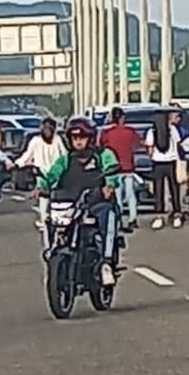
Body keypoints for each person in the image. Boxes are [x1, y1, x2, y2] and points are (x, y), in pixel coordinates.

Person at [37, 118, 121, 286]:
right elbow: (52, 175)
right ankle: (52, 251)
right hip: (70, 206)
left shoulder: (102, 155)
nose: (78, 141)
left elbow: (112, 169)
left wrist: (109, 185)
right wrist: (42, 185)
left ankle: (105, 262)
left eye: (82, 137)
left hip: (96, 204)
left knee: (108, 215)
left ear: (90, 138)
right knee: (50, 221)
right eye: (75, 138)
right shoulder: (65, 159)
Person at [97, 106, 144, 232]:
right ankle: (132, 219)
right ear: (122, 118)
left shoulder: (106, 133)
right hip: (128, 167)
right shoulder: (130, 131)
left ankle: (118, 220)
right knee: (130, 195)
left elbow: (100, 147)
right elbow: (139, 144)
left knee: (117, 197)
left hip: (113, 169)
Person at [16, 118, 67, 230]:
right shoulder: (36, 141)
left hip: (56, 173)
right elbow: (27, 155)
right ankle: (45, 220)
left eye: (49, 128)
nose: (47, 131)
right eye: (45, 128)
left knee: (55, 197)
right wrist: (18, 164)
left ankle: (54, 219)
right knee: (44, 197)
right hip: (42, 173)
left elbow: (64, 156)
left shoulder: (57, 140)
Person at [146, 109, 185, 229]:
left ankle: (159, 216)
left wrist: (151, 156)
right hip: (171, 161)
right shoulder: (172, 129)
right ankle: (177, 214)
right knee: (174, 188)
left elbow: (150, 148)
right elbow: (178, 143)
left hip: (157, 162)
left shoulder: (152, 131)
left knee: (159, 190)